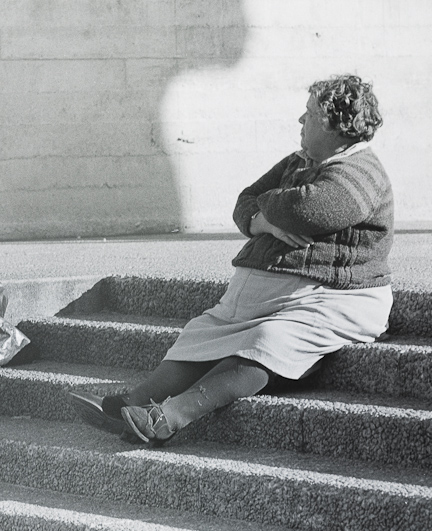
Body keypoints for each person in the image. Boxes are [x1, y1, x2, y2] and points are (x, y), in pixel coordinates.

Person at [71, 74, 393, 445]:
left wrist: (269, 208)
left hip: (332, 298)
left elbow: (308, 209)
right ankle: (129, 406)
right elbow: (245, 201)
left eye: (309, 114)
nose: (300, 122)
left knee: (266, 340)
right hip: (274, 297)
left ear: (336, 124)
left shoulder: (362, 171)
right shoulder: (300, 161)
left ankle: (165, 419)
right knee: (203, 331)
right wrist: (262, 221)